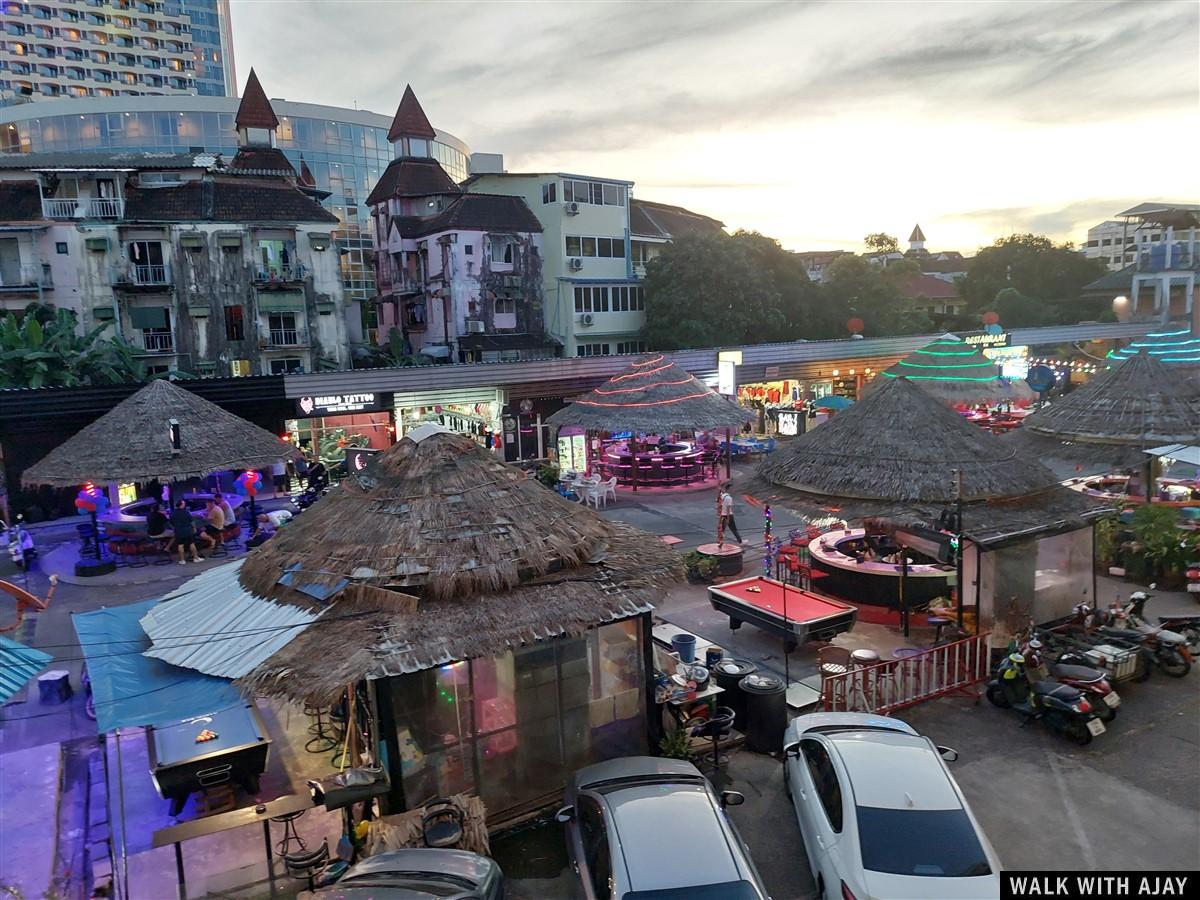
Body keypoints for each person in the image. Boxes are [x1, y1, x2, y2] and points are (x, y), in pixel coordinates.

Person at [169, 499, 202, 564]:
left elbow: (171, 522)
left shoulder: (173, 513)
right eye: (183, 504)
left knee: (180, 545)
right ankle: (196, 558)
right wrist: (194, 528)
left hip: (179, 532)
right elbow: (191, 521)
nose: (184, 505)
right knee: (191, 544)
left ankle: (182, 560)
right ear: (181, 505)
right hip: (188, 531)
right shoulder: (186, 512)